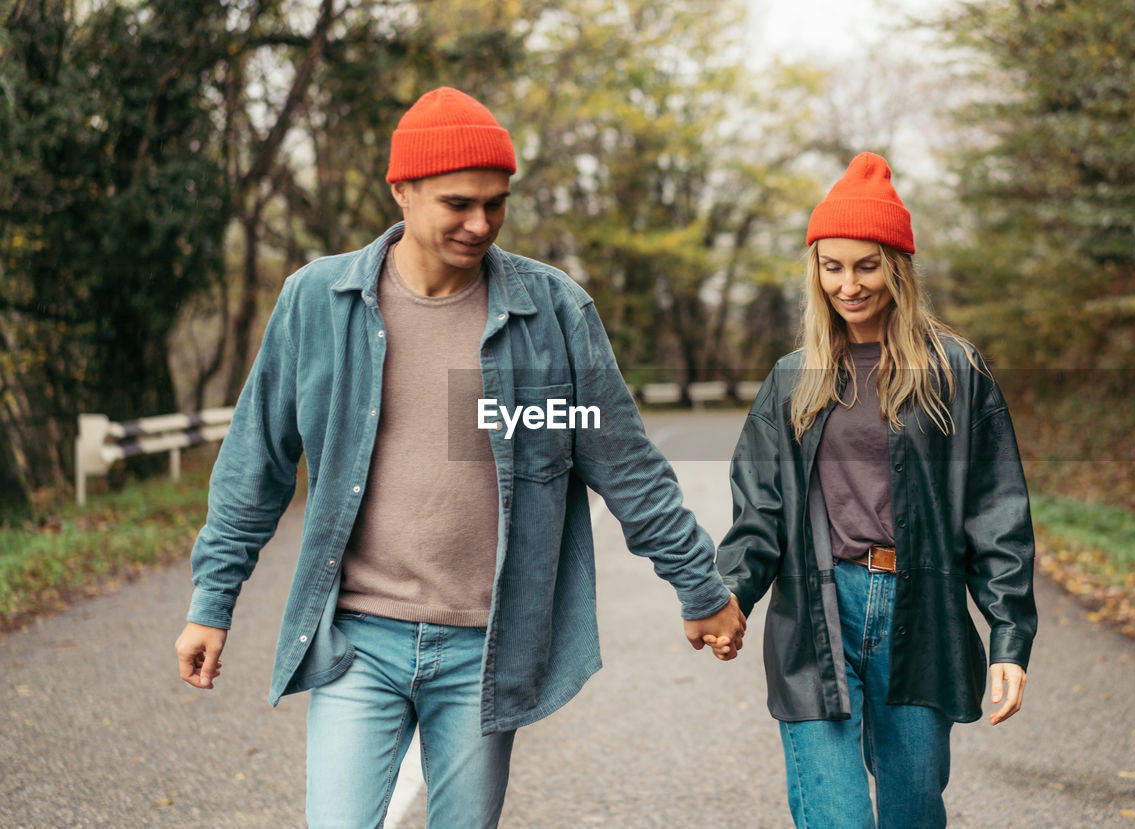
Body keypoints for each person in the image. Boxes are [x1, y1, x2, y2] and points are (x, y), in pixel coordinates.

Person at [174, 87, 745, 829]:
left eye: (496, 203)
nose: (480, 223)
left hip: (486, 645)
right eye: (458, 203)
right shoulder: (319, 303)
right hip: (358, 639)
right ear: (402, 190)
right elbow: (254, 466)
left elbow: (625, 465)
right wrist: (211, 603)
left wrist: (698, 585)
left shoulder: (551, 315)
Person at [716, 152, 1036, 828]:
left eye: (867, 265)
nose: (848, 283)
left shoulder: (954, 370)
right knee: (839, 817)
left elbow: (995, 510)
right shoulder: (791, 379)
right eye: (832, 265)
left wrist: (1009, 635)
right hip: (816, 608)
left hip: (922, 615)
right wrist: (729, 594)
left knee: (912, 814)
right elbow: (759, 511)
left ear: (897, 267)